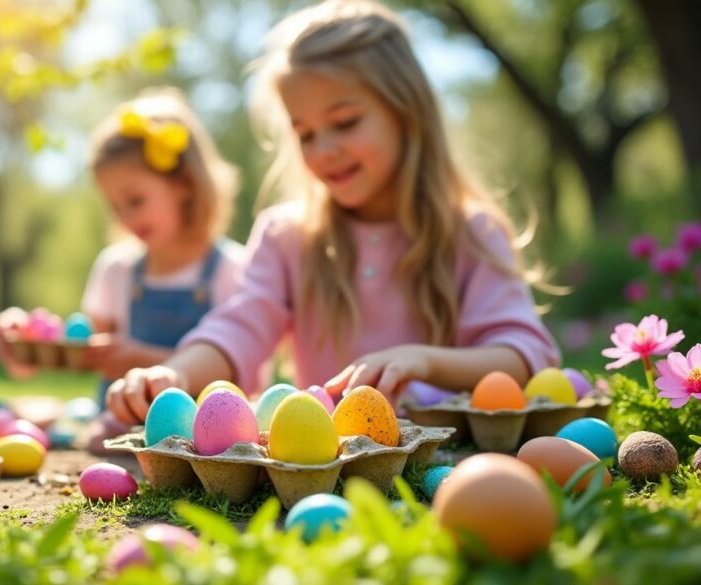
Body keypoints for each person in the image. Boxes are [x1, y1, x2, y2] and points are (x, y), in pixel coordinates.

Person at [105, 0, 560, 424]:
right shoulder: (288, 237)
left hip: (446, 466)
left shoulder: (470, 232)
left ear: (407, 112)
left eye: (345, 123)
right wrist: (175, 375)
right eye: (305, 134)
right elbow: (237, 329)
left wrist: (422, 359)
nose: (324, 150)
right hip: (324, 474)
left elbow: (524, 355)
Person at [0, 88, 247, 442]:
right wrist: (25, 347)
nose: (125, 217)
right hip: (120, 431)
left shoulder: (231, 269)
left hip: (206, 440)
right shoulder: (117, 270)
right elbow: (85, 355)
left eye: (135, 200)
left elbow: (245, 383)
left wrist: (141, 358)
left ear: (185, 184)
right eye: (115, 206)